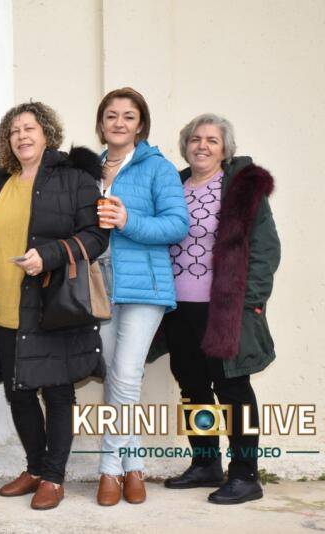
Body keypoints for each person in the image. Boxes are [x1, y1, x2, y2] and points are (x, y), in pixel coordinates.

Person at [0, 102, 109, 510]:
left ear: (46, 132)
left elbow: (96, 237)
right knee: (18, 392)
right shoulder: (0, 179)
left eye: (29, 128)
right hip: (4, 307)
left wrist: (49, 256)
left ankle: (53, 476)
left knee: (57, 393)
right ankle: (34, 468)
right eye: (14, 130)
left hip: (51, 306)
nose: (22, 136)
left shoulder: (74, 178)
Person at [162, 114, 280, 504]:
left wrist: (251, 302)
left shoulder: (240, 189)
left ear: (225, 148)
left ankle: (246, 475)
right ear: (186, 145)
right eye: (195, 139)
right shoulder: (174, 186)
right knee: (193, 388)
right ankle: (206, 462)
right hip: (180, 308)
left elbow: (265, 249)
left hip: (225, 310)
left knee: (233, 389)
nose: (202, 146)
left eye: (212, 140)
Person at [93, 87, 189, 506]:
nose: (119, 123)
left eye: (128, 116)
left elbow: (176, 225)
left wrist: (128, 219)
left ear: (140, 125)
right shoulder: (90, 168)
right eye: (111, 115)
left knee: (128, 375)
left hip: (145, 287)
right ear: (101, 124)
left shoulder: (157, 168)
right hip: (100, 285)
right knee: (114, 375)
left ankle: (109, 469)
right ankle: (134, 465)